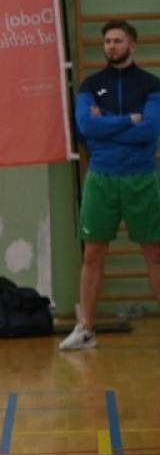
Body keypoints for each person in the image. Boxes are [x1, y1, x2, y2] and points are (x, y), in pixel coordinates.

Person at [60, 19, 160, 351]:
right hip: (101, 177)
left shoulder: (151, 85)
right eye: (107, 41)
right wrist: (129, 120)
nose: (111, 46)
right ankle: (86, 330)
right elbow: (87, 127)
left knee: (155, 253)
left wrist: (107, 125)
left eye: (118, 40)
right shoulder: (91, 85)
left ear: (132, 44)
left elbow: (150, 130)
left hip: (141, 177)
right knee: (93, 253)